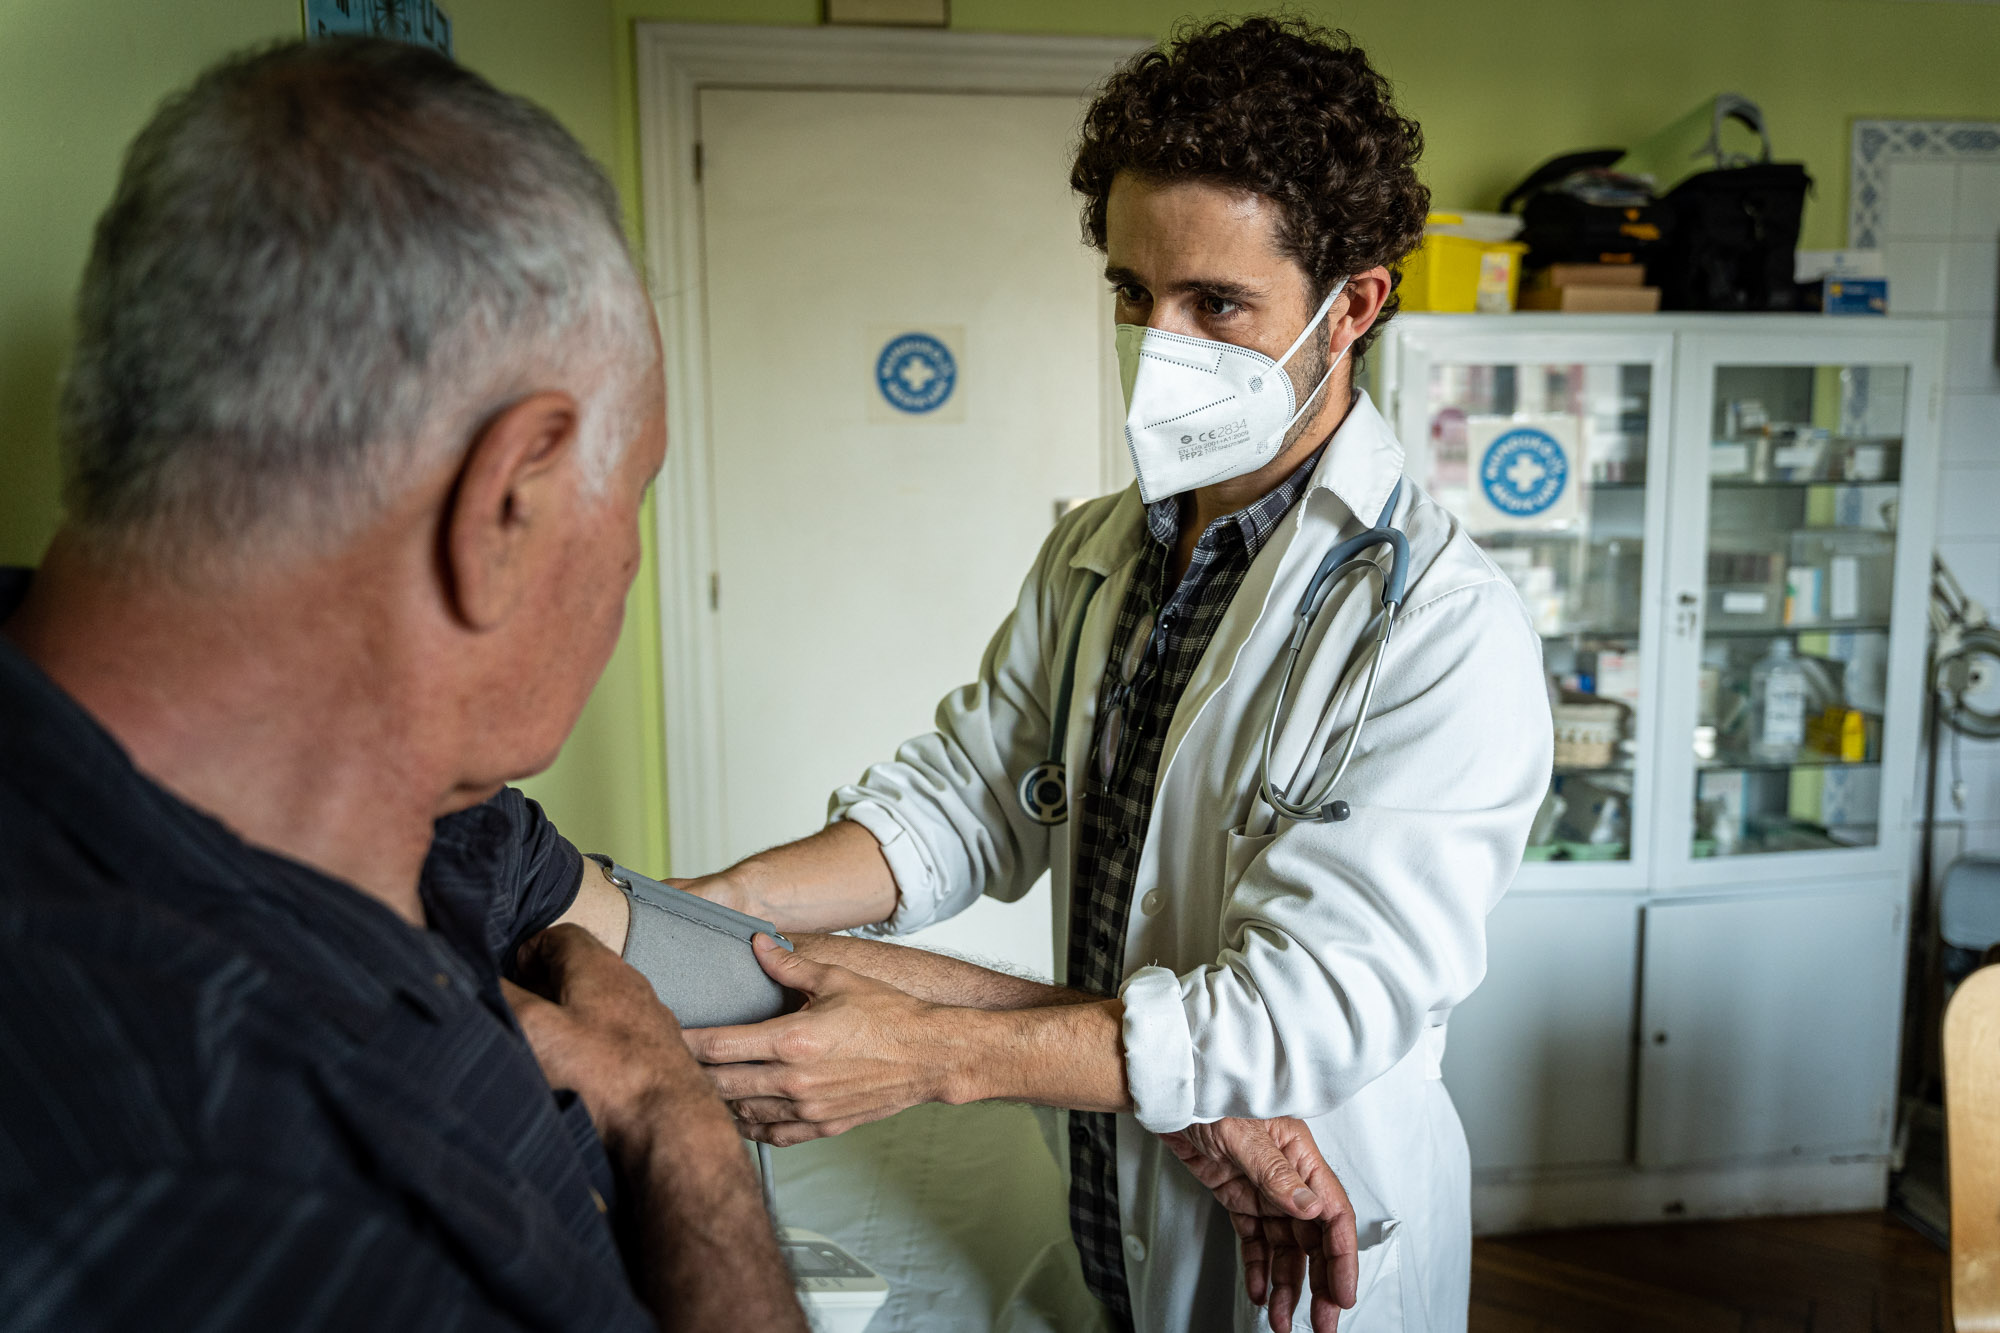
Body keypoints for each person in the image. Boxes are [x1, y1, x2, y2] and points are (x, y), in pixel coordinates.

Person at [675, 18, 1553, 1333]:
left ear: (1354, 304)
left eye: (1218, 305)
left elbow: (1294, 1016)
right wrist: (701, 910)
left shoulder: (1436, 627)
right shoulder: (1099, 548)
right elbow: (967, 801)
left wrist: (938, 1047)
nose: (1164, 344)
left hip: (1297, 1267)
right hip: (1102, 1185)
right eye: (1136, 295)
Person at [0, 40, 806, 1332]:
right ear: (509, 500)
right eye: (634, 495)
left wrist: (1032, 1040)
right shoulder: (222, 1199)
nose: (632, 565)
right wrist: (681, 1124)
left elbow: (707, 958)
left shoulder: (430, 797)